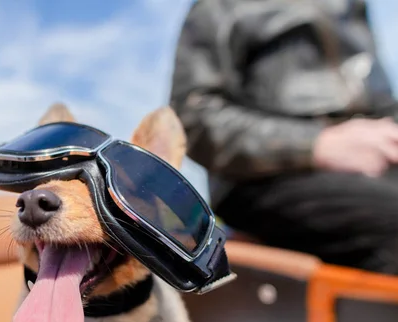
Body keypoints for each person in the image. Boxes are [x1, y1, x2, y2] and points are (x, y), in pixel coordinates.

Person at [169, 0, 398, 274]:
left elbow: (380, 102)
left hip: (371, 167)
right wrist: (317, 144)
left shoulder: (350, 6)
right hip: (267, 178)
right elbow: (195, 117)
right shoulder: (220, 6)